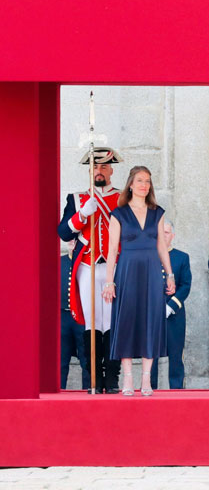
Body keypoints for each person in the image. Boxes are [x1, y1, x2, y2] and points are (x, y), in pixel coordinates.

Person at [102, 166, 176, 397]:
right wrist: (109, 282)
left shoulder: (157, 212)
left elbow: (161, 246)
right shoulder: (119, 213)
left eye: (148, 181)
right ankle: (128, 377)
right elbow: (112, 249)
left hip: (152, 272)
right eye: (140, 180)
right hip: (126, 271)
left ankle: (146, 378)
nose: (144, 185)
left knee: (150, 319)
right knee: (126, 320)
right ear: (131, 184)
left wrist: (170, 274)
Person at [57, 147, 123, 393]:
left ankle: (112, 378)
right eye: (95, 167)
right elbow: (64, 232)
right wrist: (82, 215)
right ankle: (94, 377)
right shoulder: (76, 198)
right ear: (90, 170)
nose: (99, 171)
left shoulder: (123, 197)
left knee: (112, 321)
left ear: (111, 170)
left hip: (114, 266)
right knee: (92, 322)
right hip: (87, 265)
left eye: (104, 167)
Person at [149, 221, 191, 389]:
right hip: (151, 313)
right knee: (150, 354)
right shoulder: (148, 256)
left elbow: (185, 285)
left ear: (172, 236)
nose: (163, 235)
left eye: (166, 232)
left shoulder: (182, 257)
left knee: (175, 354)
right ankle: (149, 387)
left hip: (173, 314)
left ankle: (176, 389)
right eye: (161, 232)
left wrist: (171, 306)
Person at [60, 240, 90, 390]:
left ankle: (88, 391)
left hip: (82, 316)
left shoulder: (87, 263)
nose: (73, 242)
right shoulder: (59, 262)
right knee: (61, 360)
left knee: (86, 359)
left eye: (76, 239)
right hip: (62, 317)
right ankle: (59, 390)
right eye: (70, 240)